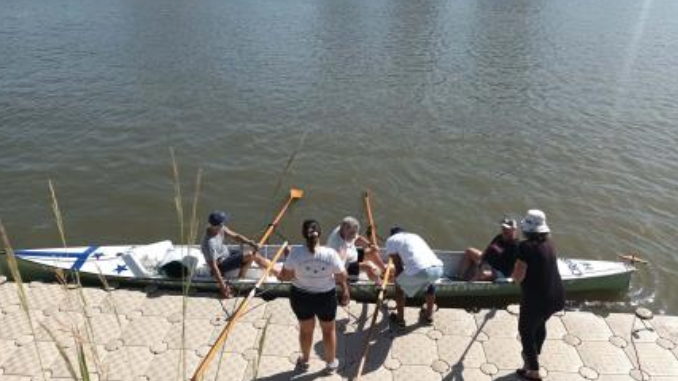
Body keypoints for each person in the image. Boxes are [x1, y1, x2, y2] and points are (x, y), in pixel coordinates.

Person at [277, 219, 350, 375]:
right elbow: (342, 277)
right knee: (329, 331)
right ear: (320, 234)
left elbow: (285, 276)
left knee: (305, 331)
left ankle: (304, 361)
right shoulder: (330, 254)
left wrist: (287, 260)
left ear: (303, 235)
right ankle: (331, 365)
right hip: (325, 298)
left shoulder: (295, 253)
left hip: (301, 297)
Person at [511, 210, 565, 381]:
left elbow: (518, 276)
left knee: (525, 331)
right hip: (556, 296)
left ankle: (533, 371)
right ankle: (534, 355)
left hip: (537, 300)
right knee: (539, 324)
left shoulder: (525, 247)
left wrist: (514, 280)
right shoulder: (550, 244)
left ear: (527, 229)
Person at [200, 210, 274, 299]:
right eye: (222, 223)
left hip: (226, 253)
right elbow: (214, 267)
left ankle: (242, 275)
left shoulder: (218, 228)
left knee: (251, 250)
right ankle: (275, 272)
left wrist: (251, 243)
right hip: (220, 265)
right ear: (217, 225)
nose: (224, 224)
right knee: (251, 254)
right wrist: (223, 287)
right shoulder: (209, 243)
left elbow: (236, 236)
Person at [385, 227, 443, 326]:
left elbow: (399, 269)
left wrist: (398, 281)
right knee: (430, 284)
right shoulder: (414, 236)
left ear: (392, 235)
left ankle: (400, 320)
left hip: (421, 271)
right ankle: (429, 316)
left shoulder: (391, 240)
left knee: (399, 287)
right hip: (438, 268)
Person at [325, 216, 387, 283]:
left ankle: (385, 271)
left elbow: (358, 238)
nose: (354, 236)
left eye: (355, 233)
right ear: (344, 230)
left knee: (372, 252)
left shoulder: (344, 229)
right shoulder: (339, 247)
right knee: (368, 266)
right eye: (352, 234)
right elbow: (339, 270)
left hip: (351, 254)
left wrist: (370, 245)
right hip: (346, 265)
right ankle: (380, 284)